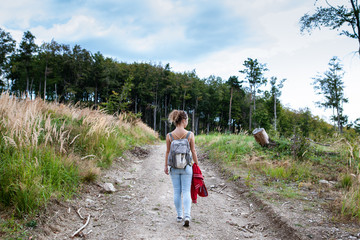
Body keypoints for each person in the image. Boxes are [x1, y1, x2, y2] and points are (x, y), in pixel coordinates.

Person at [164, 110, 199, 227]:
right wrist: (197, 165)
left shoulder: (169, 136)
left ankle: (179, 215)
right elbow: (193, 151)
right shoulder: (190, 135)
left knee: (177, 192)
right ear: (183, 121)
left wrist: (165, 166)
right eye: (187, 120)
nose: (187, 122)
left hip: (174, 167)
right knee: (186, 191)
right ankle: (187, 216)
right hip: (187, 167)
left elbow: (168, 152)